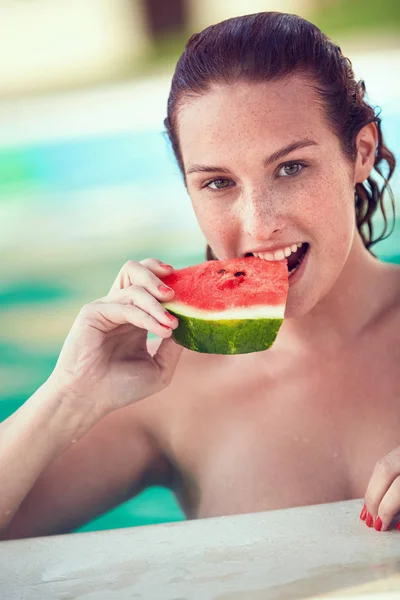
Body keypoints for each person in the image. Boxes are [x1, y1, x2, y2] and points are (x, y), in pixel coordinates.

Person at [1, 11, 399, 540]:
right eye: (217, 183)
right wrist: (68, 395)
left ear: (361, 153)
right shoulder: (165, 384)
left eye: (291, 167)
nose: (258, 224)